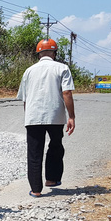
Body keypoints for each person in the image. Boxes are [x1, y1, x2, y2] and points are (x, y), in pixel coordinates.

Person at [16, 38, 76, 198]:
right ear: (55, 53)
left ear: (38, 54)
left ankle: (36, 190)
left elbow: (25, 98)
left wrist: (27, 117)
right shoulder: (62, 68)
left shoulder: (28, 71)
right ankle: (51, 179)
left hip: (33, 116)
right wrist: (71, 116)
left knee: (34, 153)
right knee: (56, 146)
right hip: (55, 116)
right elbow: (67, 93)